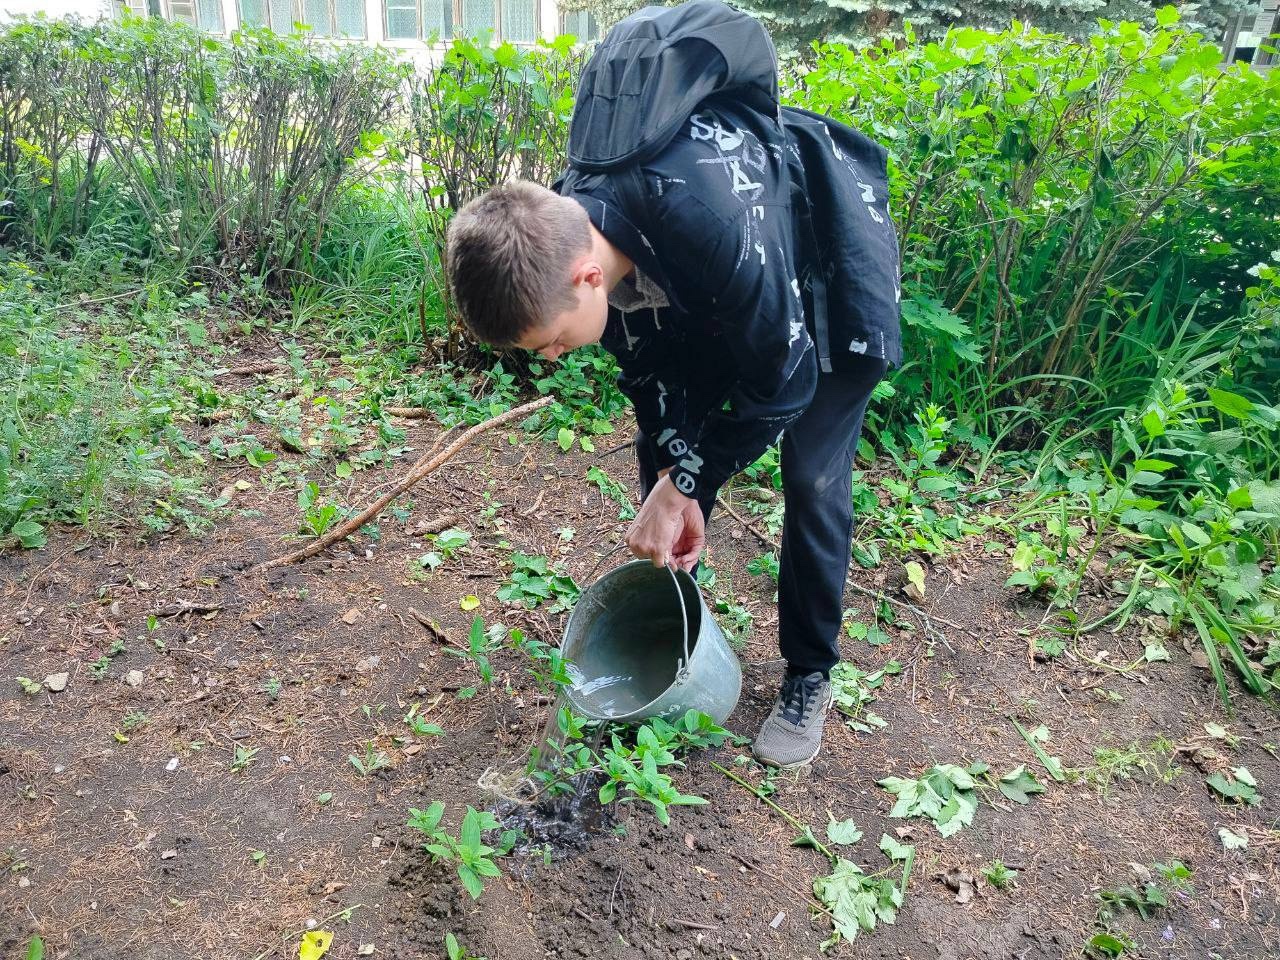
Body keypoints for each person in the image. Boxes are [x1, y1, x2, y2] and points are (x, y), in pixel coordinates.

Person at [445, 1, 901, 768]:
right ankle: (678, 634)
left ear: (589, 277)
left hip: (819, 270)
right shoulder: (569, 223)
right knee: (664, 459)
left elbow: (785, 380)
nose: (552, 359)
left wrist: (689, 478)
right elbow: (650, 377)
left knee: (812, 476)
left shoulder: (704, 219)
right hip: (710, 297)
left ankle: (809, 674)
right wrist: (675, 477)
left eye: (551, 341)